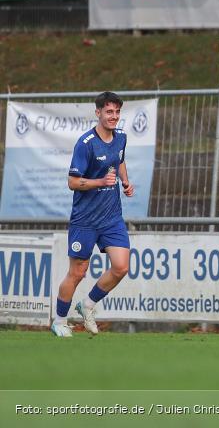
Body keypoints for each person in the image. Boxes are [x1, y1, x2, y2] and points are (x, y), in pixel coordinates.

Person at [51, 92, 135, 337]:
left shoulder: (121, 138)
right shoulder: (85, 143)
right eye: (109, 112)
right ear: (97, 112)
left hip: (111, 218)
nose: (114, 117)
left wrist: (126, 182)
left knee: (121, 267)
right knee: (77, 272)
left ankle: (87, 305)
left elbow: (119, 161)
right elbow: (72, 182)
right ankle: (59, 321)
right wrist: (100, 181)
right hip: (85, 220)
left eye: (117, 112)